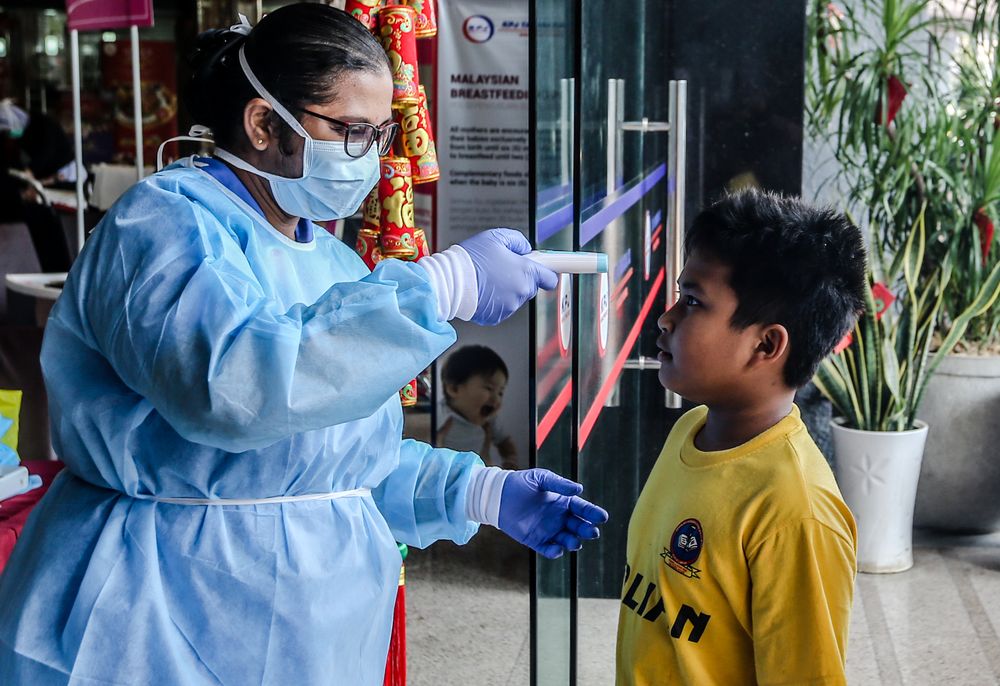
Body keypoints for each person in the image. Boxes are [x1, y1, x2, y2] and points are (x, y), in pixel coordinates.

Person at [0, 6, 608, 685]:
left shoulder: (333, 264)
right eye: (351, 132)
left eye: (382, 135)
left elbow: (336, 462)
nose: (372, 160)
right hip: (154, 614)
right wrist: (441, 285)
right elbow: (233, 390)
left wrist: (483, 493)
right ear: (264, 124)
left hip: (311, 632)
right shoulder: (164, 226)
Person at [616, 189, 865, 685]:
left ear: (766, 344)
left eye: (692, 302)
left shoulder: (796, 510)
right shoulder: (692, 430)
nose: (666, 318)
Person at [438, 344, 519, 470]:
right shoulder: (441, 416)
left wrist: (511, 459)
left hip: (477, 474)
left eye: (500, 392)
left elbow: (504, 442)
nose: (496, 398)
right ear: (453, 389)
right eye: (489, 388)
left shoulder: (490, 420)